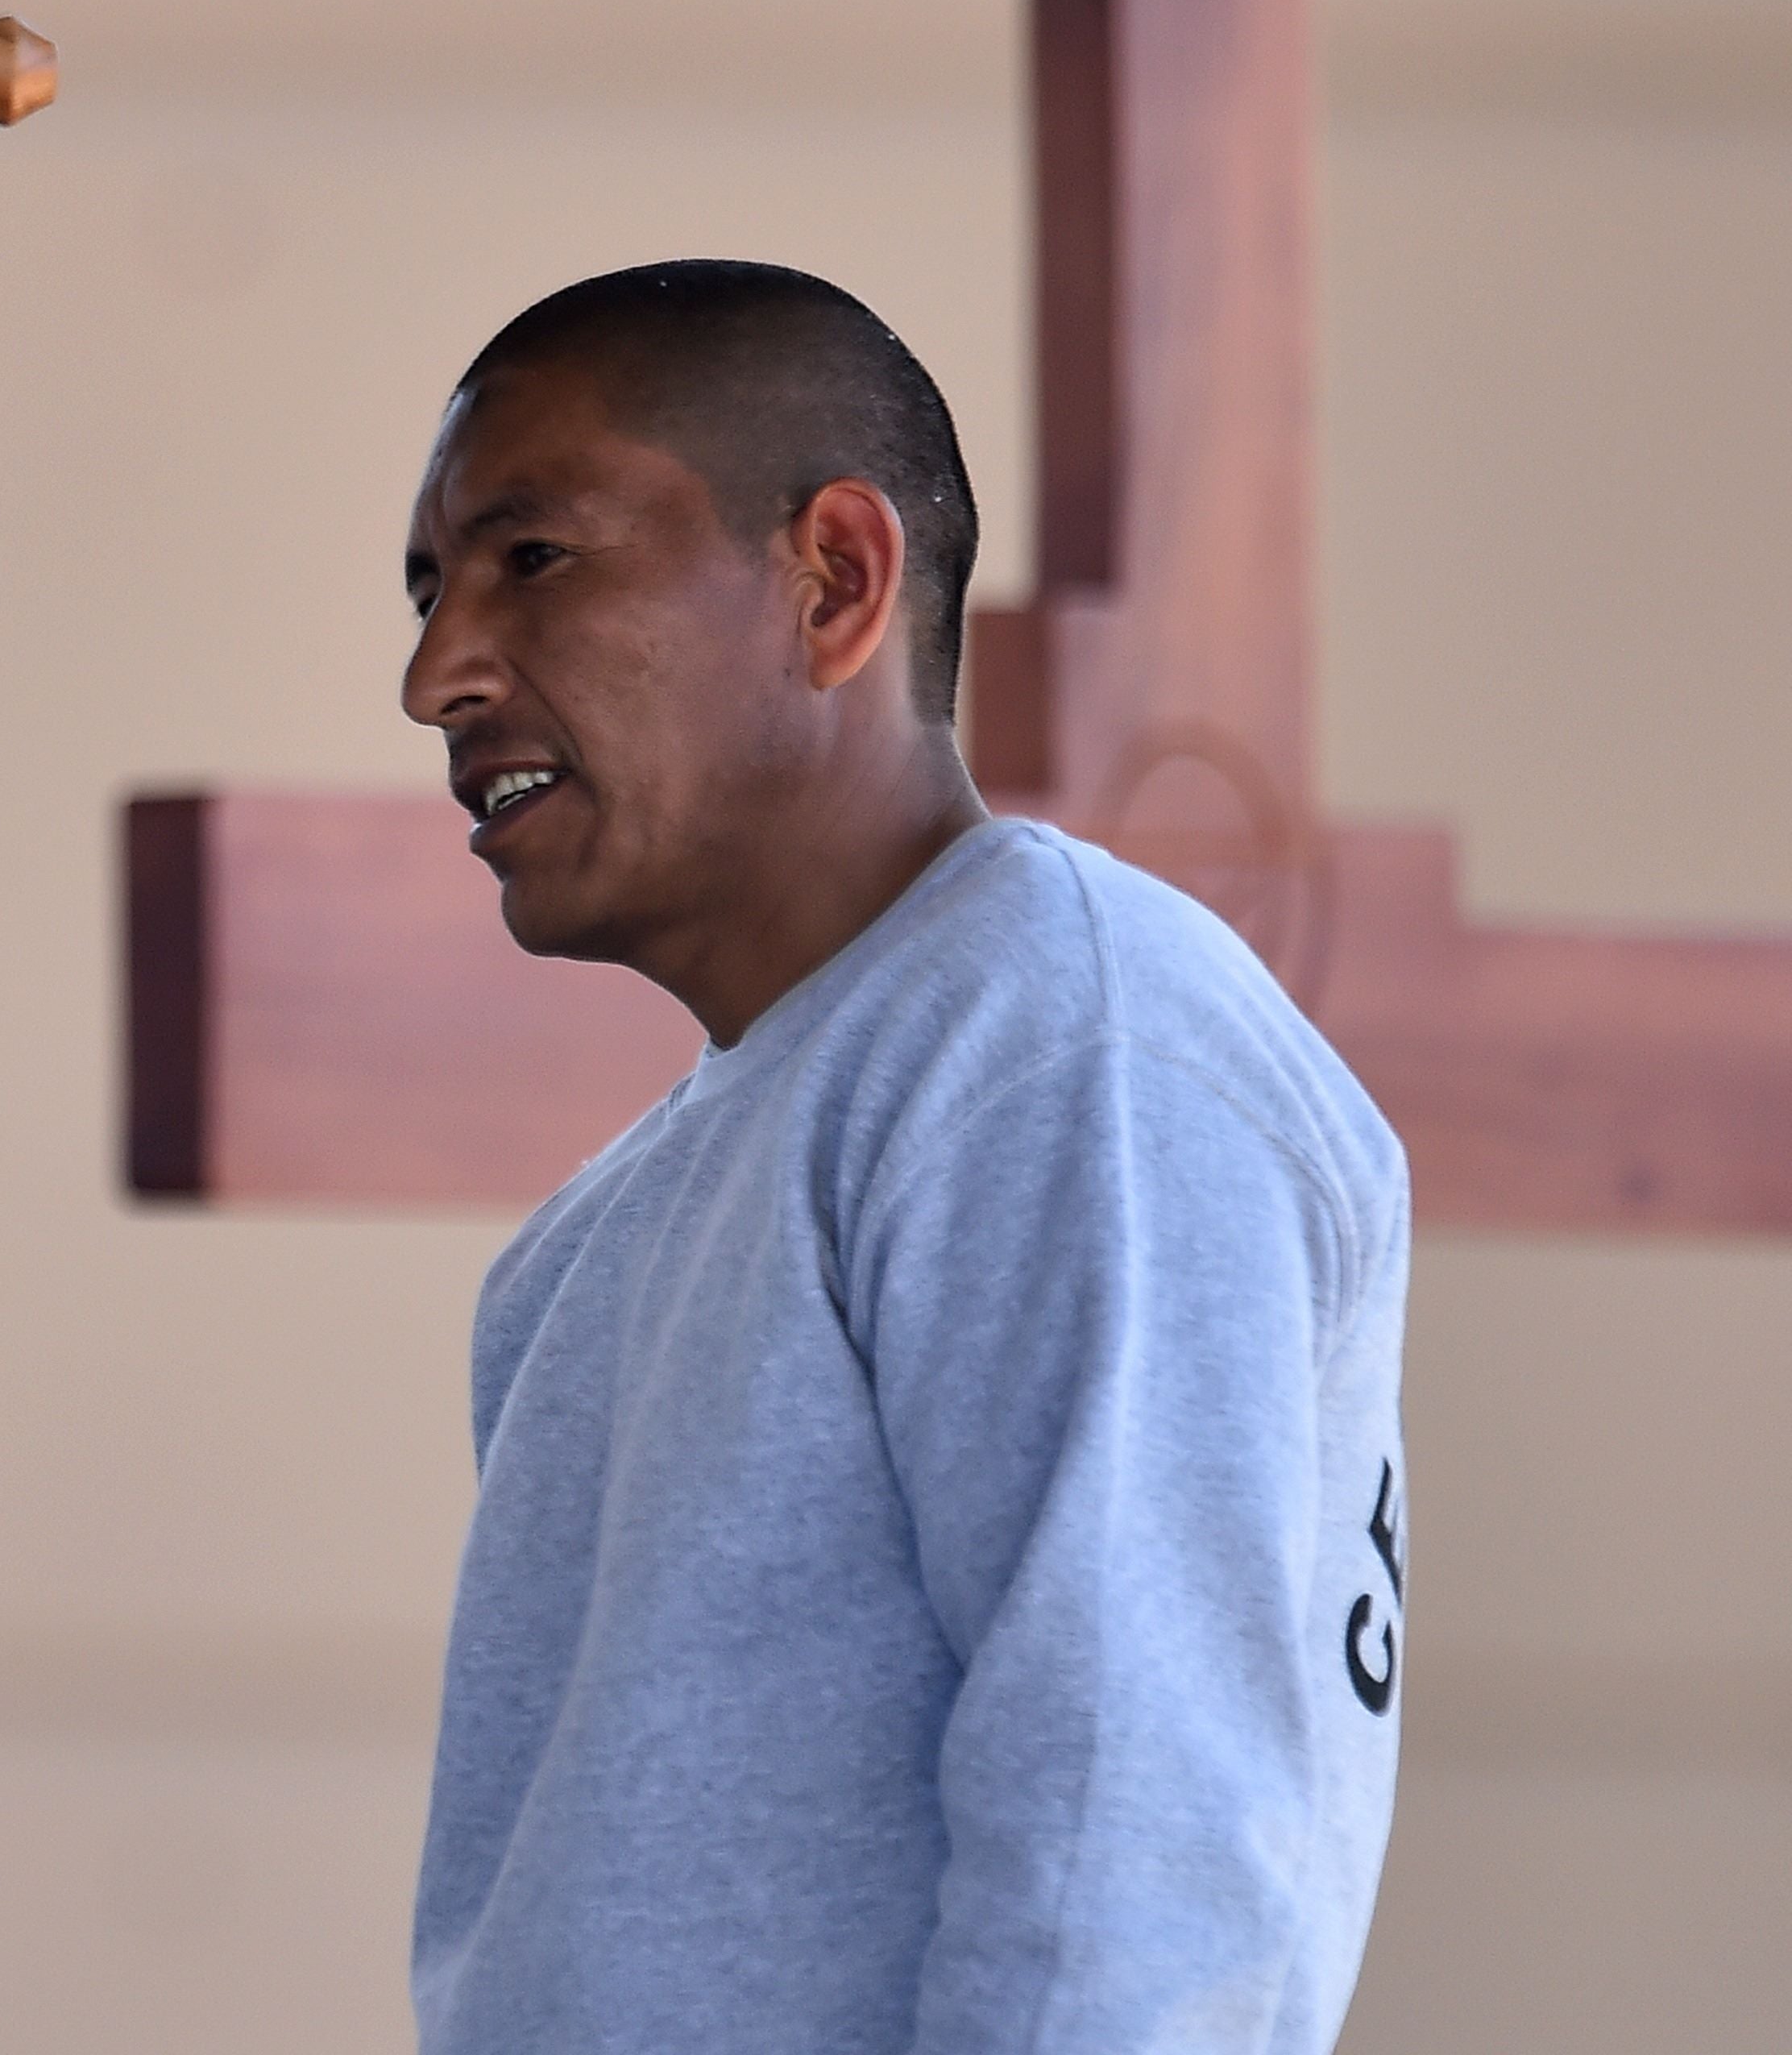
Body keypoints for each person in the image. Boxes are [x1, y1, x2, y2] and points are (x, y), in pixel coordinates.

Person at [398, 260, 1407, 2053]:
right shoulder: (589, 1240)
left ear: (835, 579)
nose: (434, 674)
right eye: (425, 591)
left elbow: (1143, 1852)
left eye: (528, 558)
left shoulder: (1065, 1040)